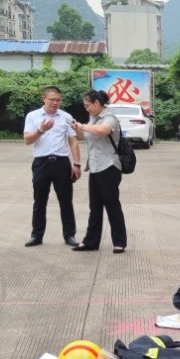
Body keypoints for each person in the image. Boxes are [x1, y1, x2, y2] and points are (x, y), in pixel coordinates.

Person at [22, 85, 80, 247]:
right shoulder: (33, 116)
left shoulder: (66, 117)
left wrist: (76, 164)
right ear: (44, 99)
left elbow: (73, 142)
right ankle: (36, 235)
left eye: (58, 100)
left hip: (61, 163)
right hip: (41, 163)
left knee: (66, 201)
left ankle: (69, 235)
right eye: (52, 100)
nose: (55, 103)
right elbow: (27, 140)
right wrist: (41, 129)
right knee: (39, 201)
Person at [71, 89, 126, 254]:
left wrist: (83, 126)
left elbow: (103, 131)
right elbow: (86, 137)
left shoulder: (110, 118)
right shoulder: (92, 119)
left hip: (109, 166)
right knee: (94, 207)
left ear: (97, 103)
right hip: (94, 167)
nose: (86, 108)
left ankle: (119, 242)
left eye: (88, 105)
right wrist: (77, 129)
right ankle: (91, 241)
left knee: (112, 205)